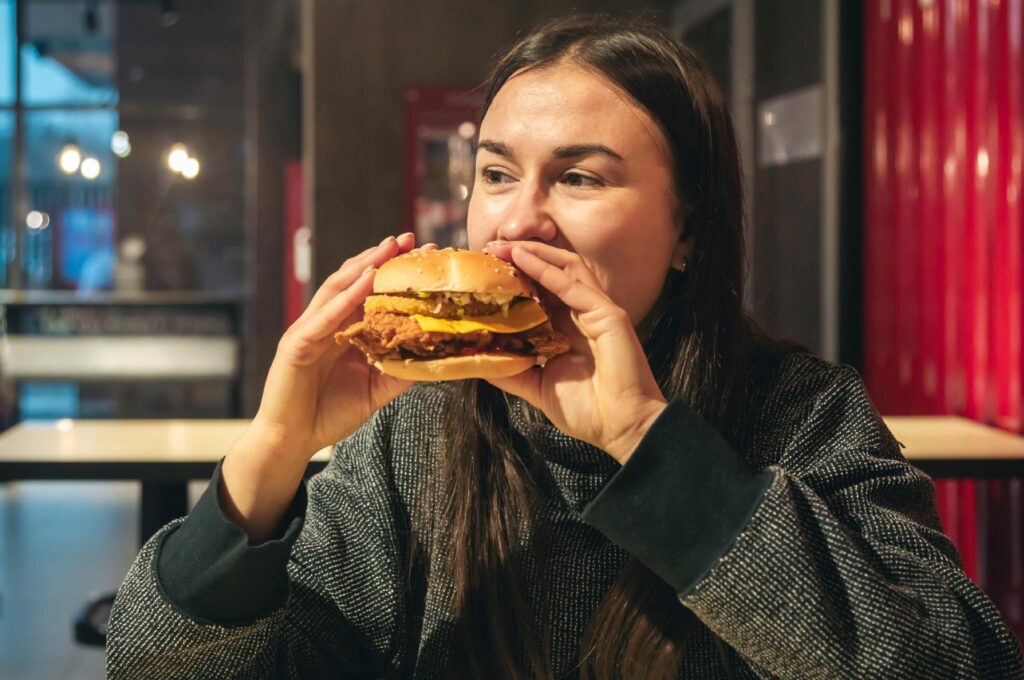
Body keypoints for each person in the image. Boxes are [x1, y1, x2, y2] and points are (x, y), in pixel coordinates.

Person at [106, 15, 1024, 679]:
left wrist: (649, 446)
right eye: (497, 173)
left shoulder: (802, 413)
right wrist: (269, 459)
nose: (516, 220)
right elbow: (161, 668)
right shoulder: (421, 433)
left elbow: (958, 659)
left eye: (579, 176)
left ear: (689, 228)